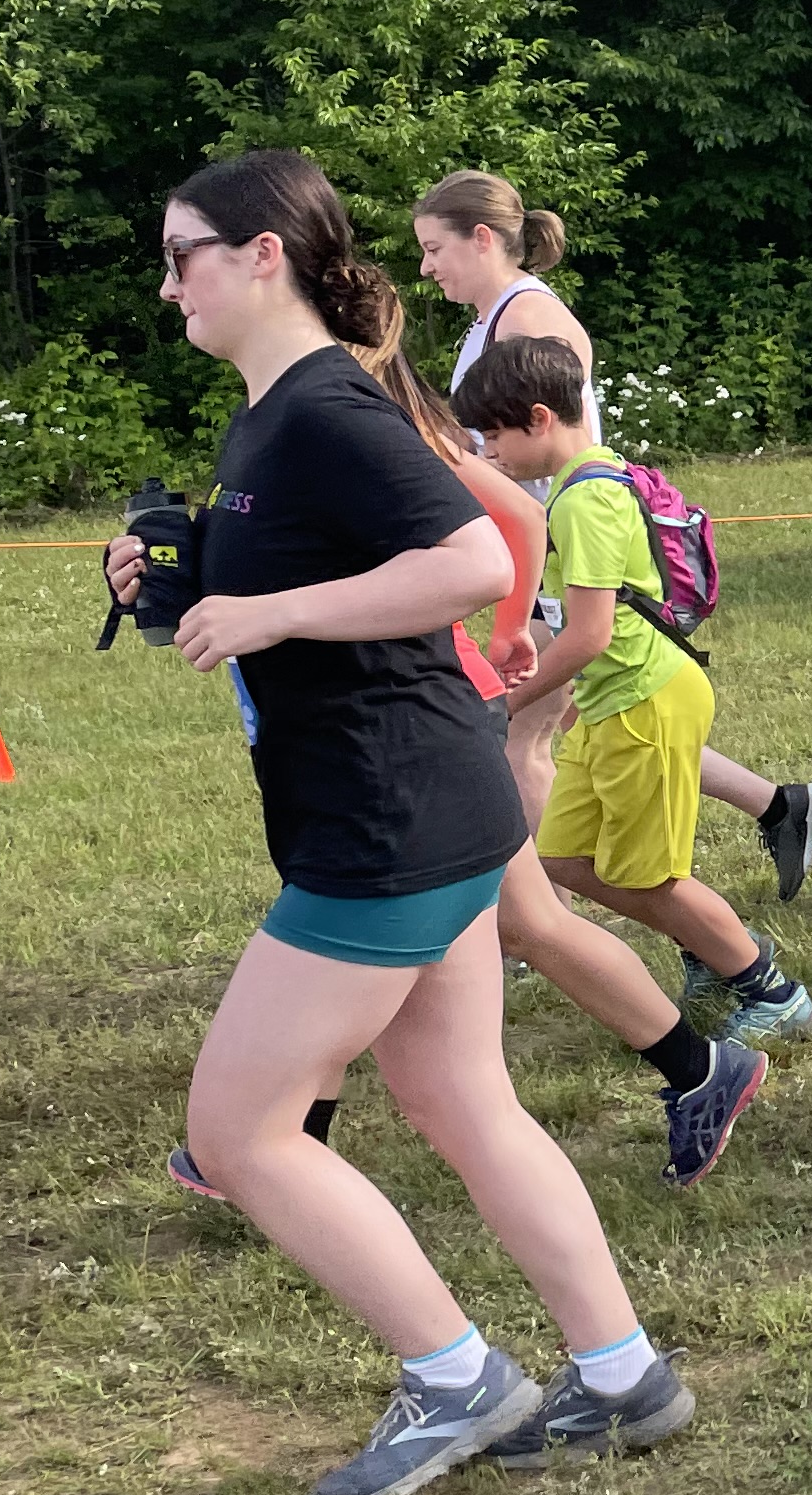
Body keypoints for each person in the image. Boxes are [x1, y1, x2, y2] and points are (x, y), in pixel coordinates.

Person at [114, 151, 690, 1495]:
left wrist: (270, 611)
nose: (167, 286)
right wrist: (181, 572)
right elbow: (327, 565)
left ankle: (457, 1378)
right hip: (418, 800)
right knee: (458, 1098)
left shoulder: (324, 406)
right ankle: (622, 1377)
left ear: (263, 254)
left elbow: (477, 558)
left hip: (385, 819)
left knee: (240, 1130)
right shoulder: (274, 414)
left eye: (183, 254)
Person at [162, 303, 771, 1203]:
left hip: (427, 715)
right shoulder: (285, 421)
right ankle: (701, 1070)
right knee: (510, 925)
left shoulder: (363, 425)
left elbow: (514, 528)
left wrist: (509, 630)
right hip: (395, 719)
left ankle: (284, 1135)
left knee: (371, 925)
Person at [413, 172, 812, 903]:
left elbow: (547, 431)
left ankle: (552, 922)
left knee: (523, 737)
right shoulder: (493, 317)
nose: (425, 268)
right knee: (602, 718)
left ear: (481, 239)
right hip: (545, 555)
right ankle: (778, 806)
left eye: (433, 248)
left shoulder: (526, 315)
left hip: (563, 555)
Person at [455, 335, 812, 1058]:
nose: (489, 451)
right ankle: (713, 945)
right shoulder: (592, 477)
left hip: (644, 703)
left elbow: (589, 635)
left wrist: (503, 702)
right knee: (562, 857)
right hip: (613, 705)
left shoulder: (584, 501)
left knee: (649, 877)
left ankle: (773, 993)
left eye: (494, 435)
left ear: (538, 418)